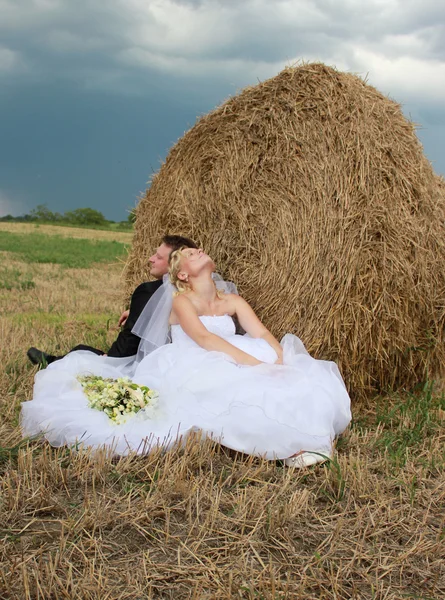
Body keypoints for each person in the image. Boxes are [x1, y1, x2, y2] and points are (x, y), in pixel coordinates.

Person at [21, 246, 351, 467]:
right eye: (192, 254)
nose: (199, 251)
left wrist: (278, 357)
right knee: (236, 392)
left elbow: (262, 333)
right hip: (196, 361)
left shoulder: (233, 301)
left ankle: (302, 441)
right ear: (182, 275)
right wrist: (253, 363)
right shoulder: (182, 301)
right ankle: (285, 445)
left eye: (198, 249)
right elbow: (205, 338)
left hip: (234, 353)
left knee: (295, 378)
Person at [26, 235, 198, 365]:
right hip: (186, 362)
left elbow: (130, 340)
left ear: (174, 265)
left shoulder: (146, 291)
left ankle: (52, 362)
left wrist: (110, 360)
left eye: (158, 257)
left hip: (144, 365)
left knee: (81, 351)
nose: (150, 259)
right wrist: (139, 312)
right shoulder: (201, 292)